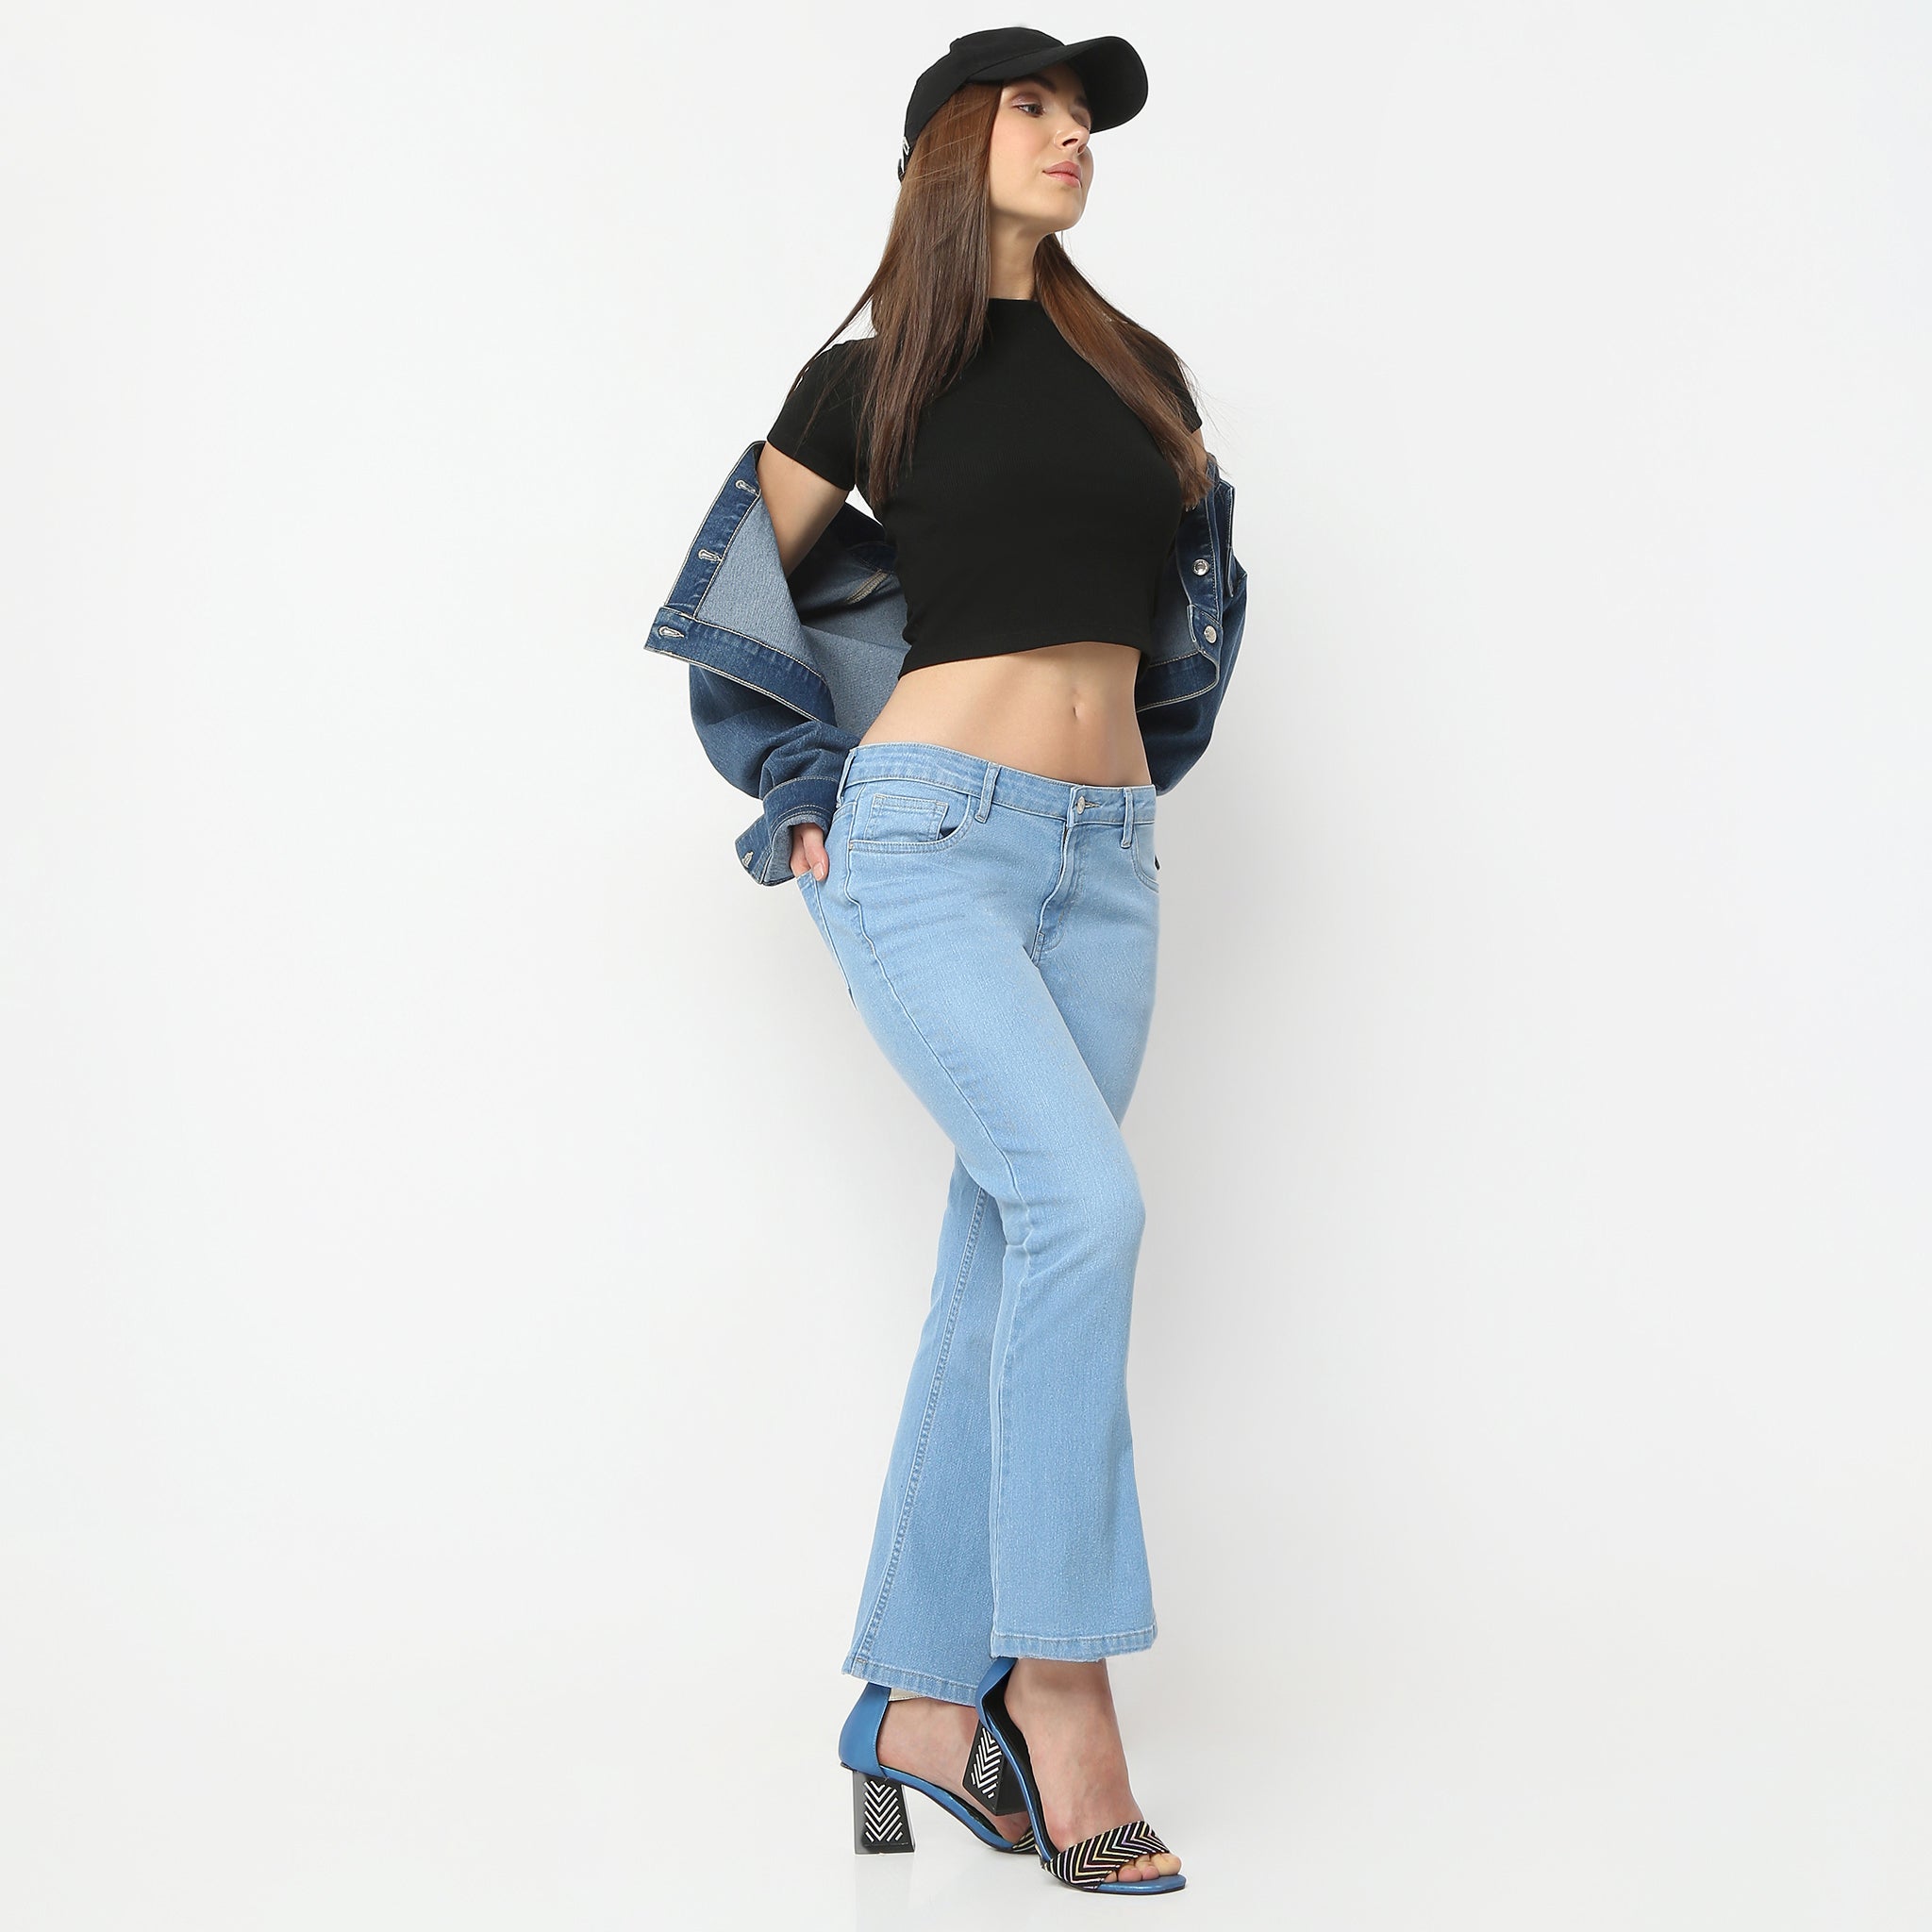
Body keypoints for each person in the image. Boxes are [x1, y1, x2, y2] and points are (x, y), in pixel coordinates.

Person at [753, 27, 1241, 1895]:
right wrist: (798, 782)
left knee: (1013, 1246)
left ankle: (909, 1708)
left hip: (1104, 864)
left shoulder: (1140, 375)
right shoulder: (870, 376)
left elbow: (1172, 619)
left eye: (1084, 114)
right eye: (1034, 105)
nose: (1071, 136)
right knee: (1086, 1210)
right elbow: (738, 593)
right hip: (928, 845)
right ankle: (1057, 1683)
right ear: (949, 146)